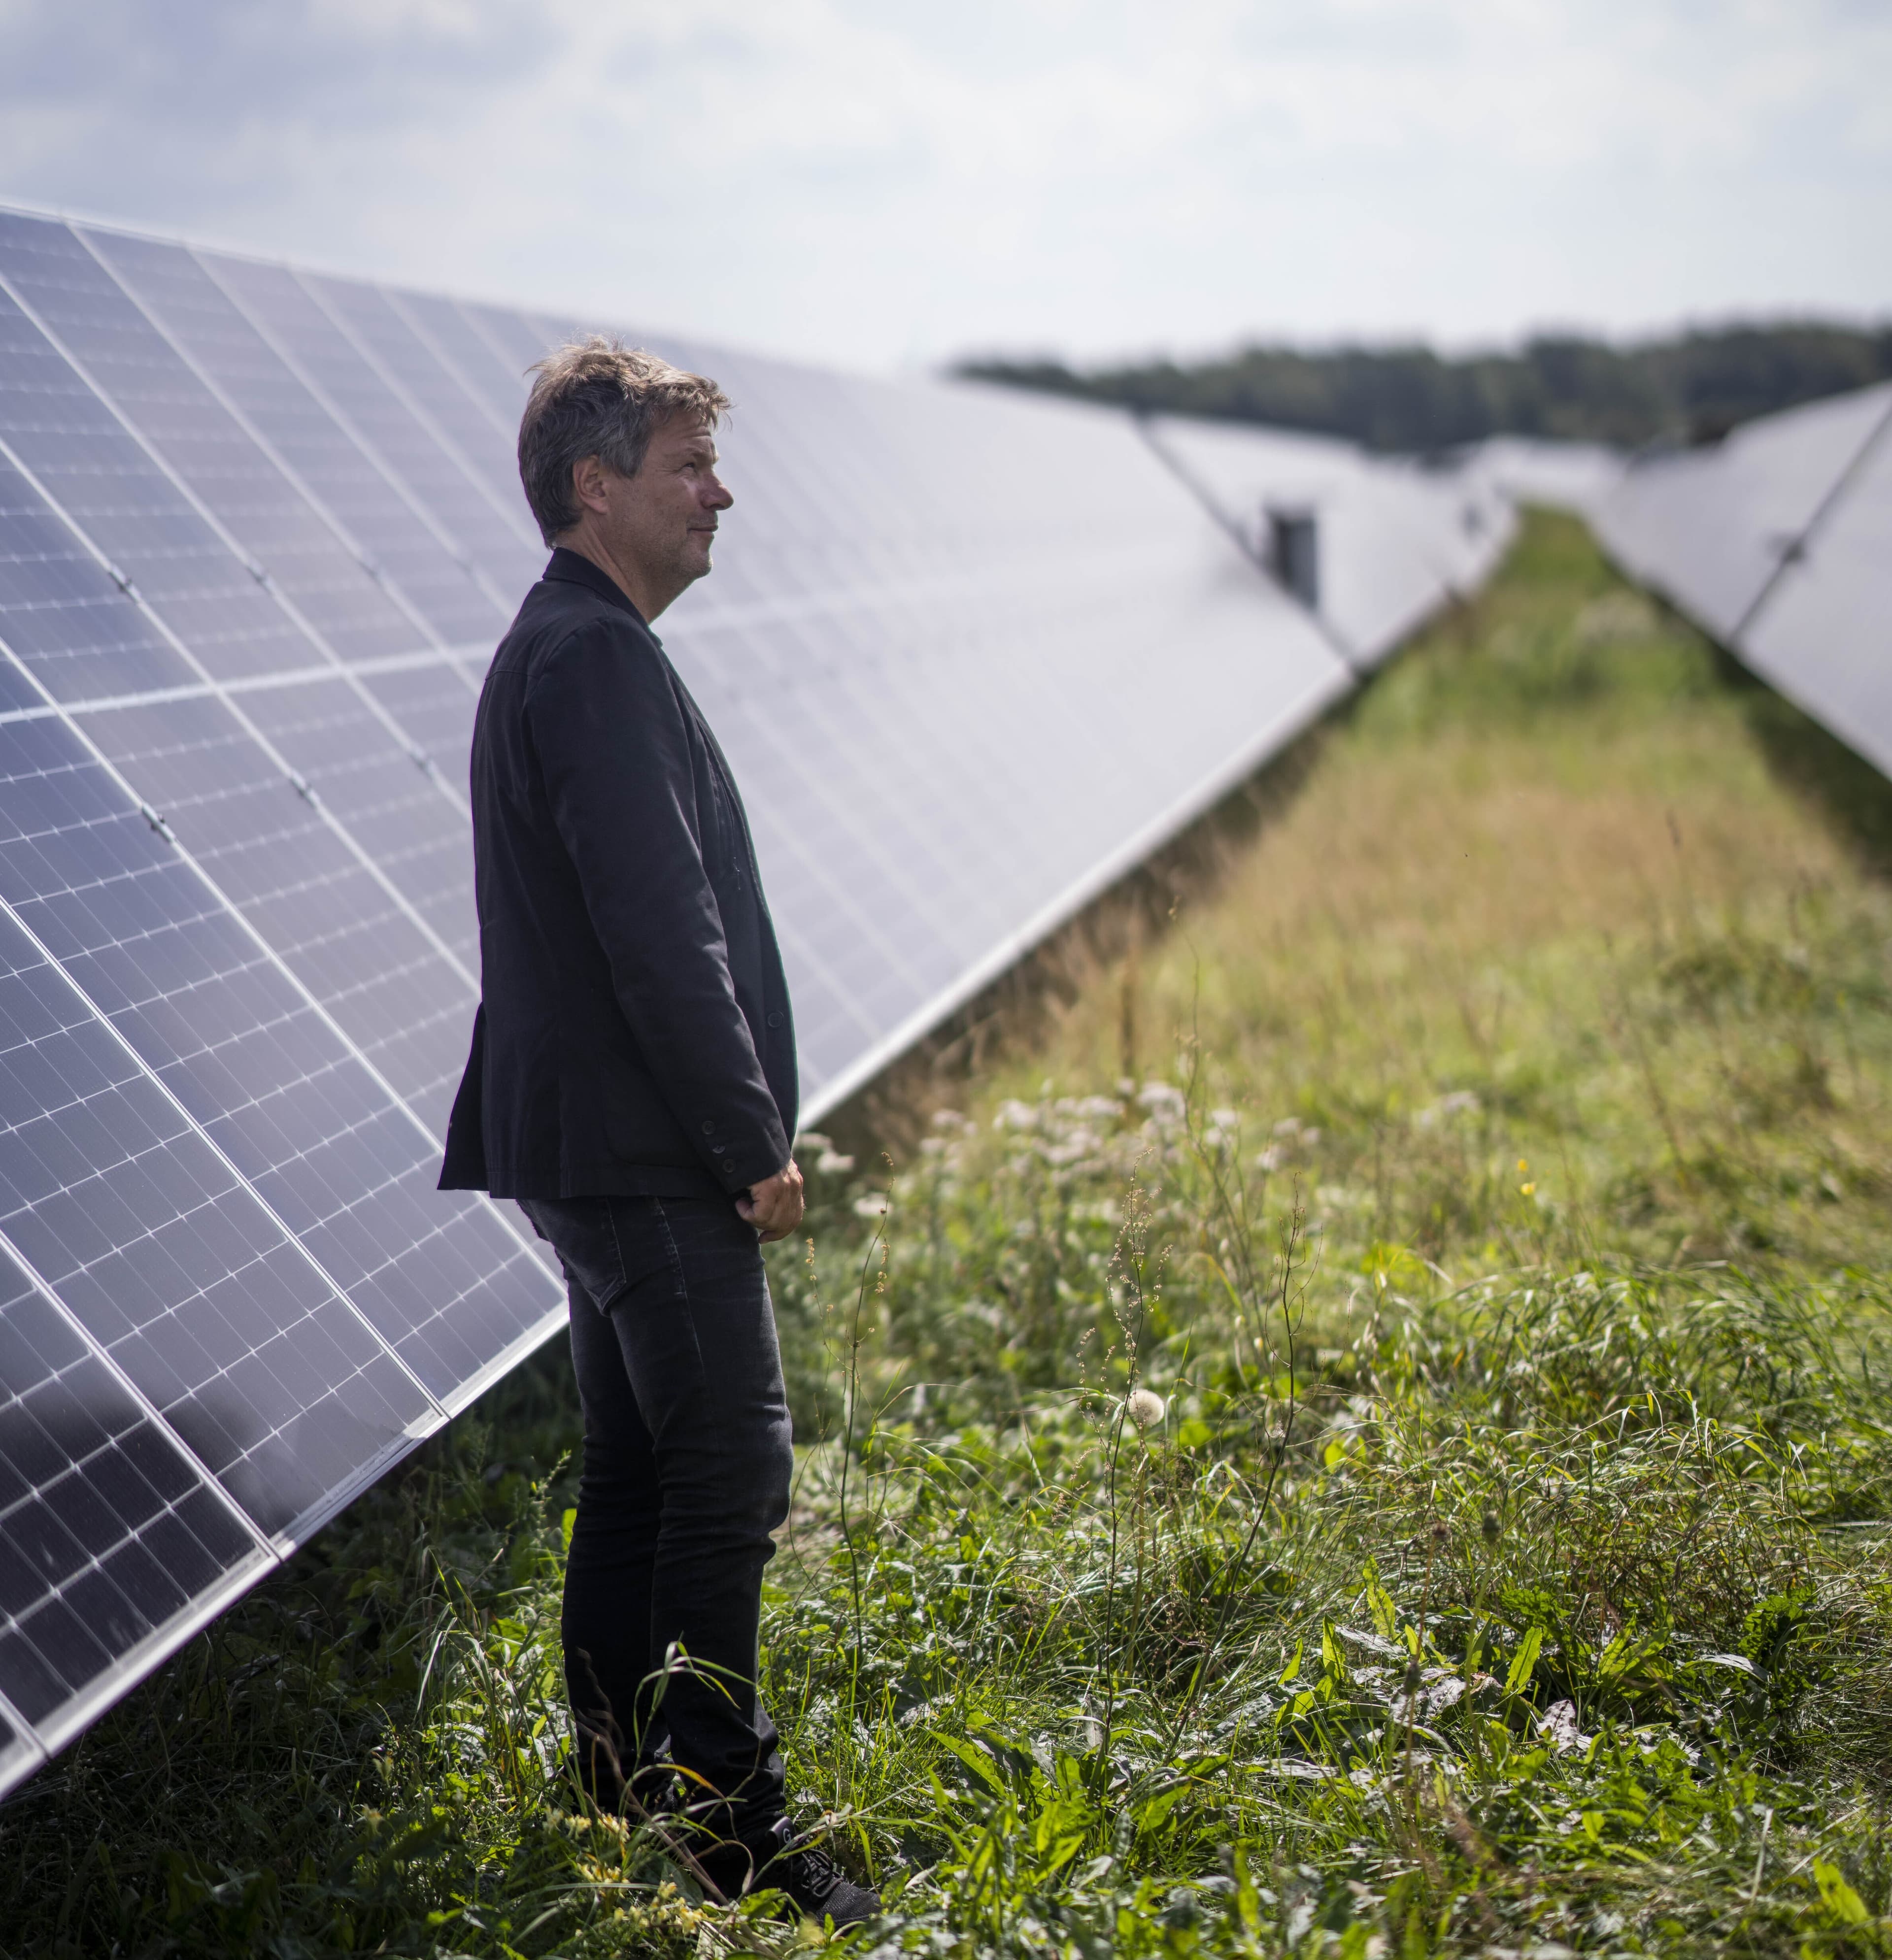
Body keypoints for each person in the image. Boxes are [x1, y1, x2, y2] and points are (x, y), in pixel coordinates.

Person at [439, 337, 878, 1927]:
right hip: (644, 1148)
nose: (720, 492)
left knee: (636, 1467)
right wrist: (750, 1136)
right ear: (594, 485)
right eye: (687, 466)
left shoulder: (564, 651)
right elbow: (658, 927)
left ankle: (623, 1792)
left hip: (591, 1144)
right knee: (728, 1468)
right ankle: (728, 1832)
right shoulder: (594, 660)